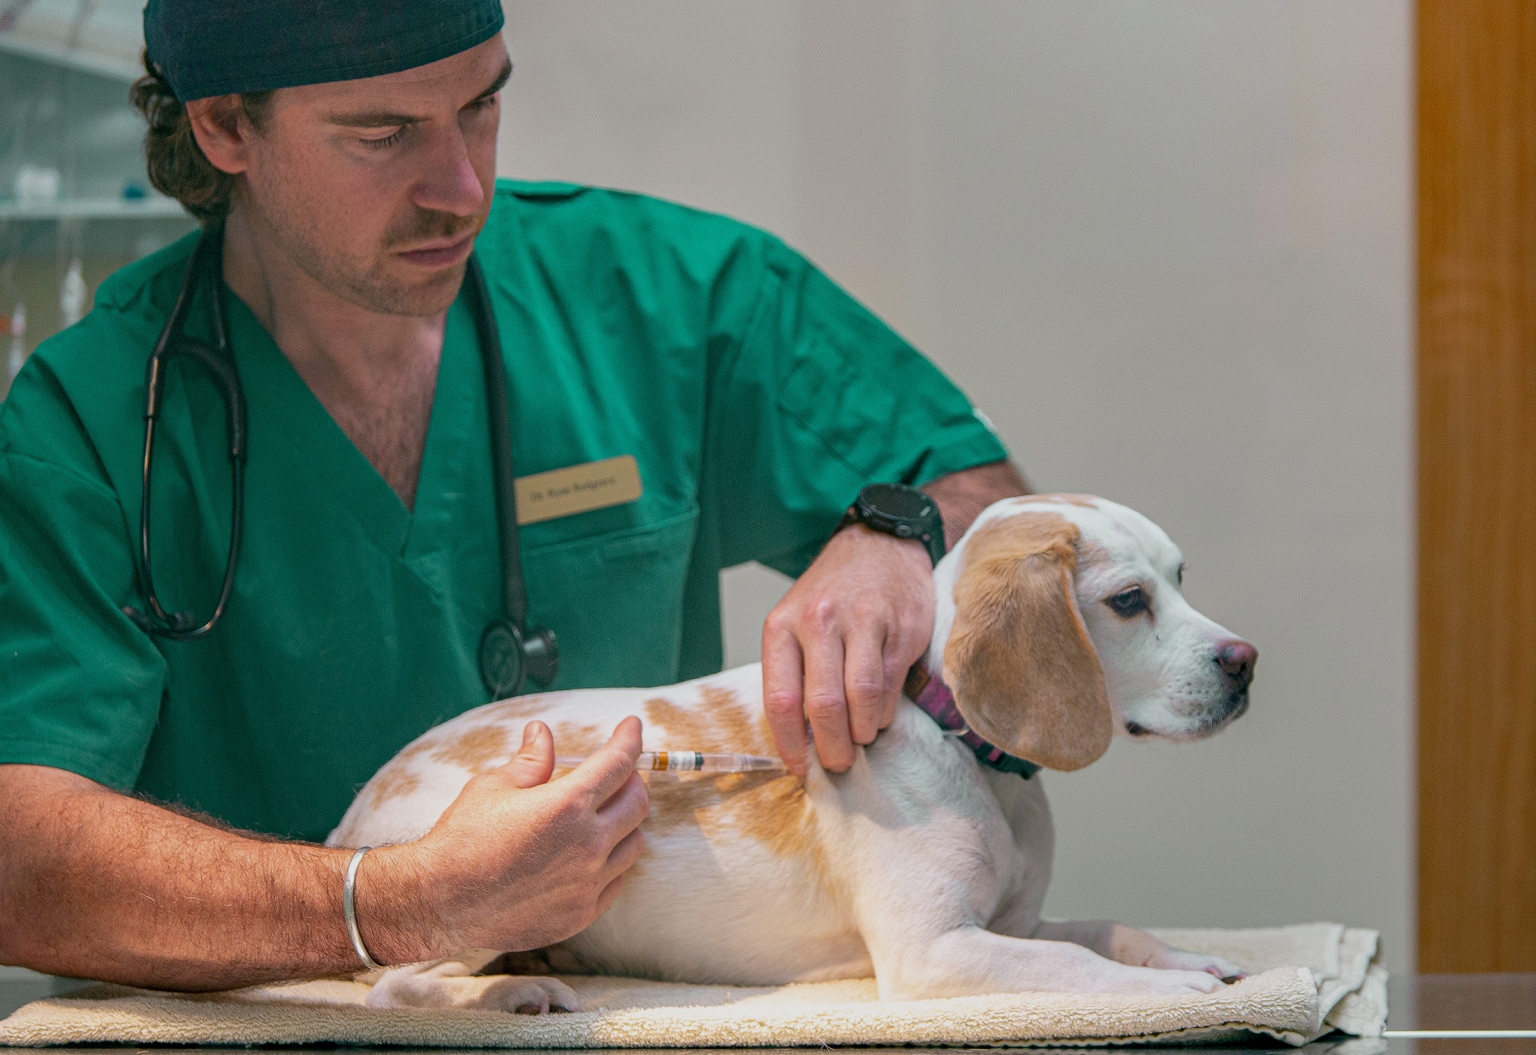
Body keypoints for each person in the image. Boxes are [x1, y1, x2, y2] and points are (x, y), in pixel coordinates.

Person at [0, 0, 1028, 991]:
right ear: (225, 123)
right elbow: (19, 853)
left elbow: (996, 506)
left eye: (481, 107)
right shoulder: (91, 422)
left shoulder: (674, 296)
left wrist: (898, 530)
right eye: (385, 133)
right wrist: (393, 905)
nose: (461, 187)